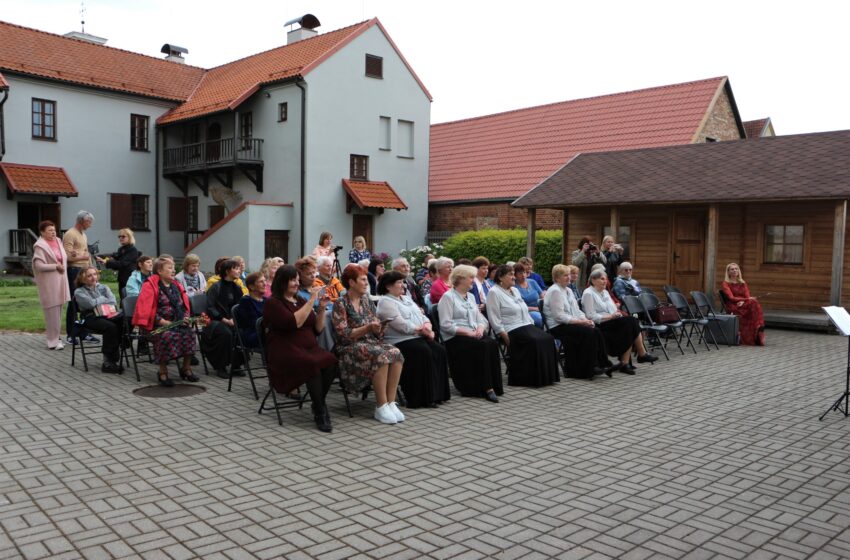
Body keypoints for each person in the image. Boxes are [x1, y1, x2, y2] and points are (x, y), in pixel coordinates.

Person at [263, 265, 337, 432]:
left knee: (331, 362)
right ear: (282, 282)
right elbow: (294, 323)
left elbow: (317, 329)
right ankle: (319, 411)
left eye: (297, 279)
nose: (297, 283)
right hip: (285, 349)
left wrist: (322, 308)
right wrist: (312, 299)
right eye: (292, 280)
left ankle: (319, 403)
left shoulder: (300, 300)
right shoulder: (273, 303)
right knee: (312, 365)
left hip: (308, 346)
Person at [332, 264, 405, 424]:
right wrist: (368, 328)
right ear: (351, 282)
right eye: (363, 280)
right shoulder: (340, 303)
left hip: (370, 342)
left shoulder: (366, 301)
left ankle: (391, 403)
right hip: (348, 347)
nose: (367, 283)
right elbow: (343, 334)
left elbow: (375, 328)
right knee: (382, 355)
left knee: (396, 353)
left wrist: (380, 327)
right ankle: (381, 405)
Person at [377, 271, 451, 408]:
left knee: (439, 350)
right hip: (400, 339)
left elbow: (422, 315)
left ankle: (438, 394)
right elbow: (400, 324)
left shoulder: (406, 299)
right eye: (399, 282)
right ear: (388, 286)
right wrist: (421, 330)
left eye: (403, 282)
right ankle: (421, 398)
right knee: (422, 351)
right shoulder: (385, 302)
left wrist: (428, 326)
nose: (403, 285)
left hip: (418, 335)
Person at [438, 264, 503, 402]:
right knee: (483, 346)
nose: (473, 280)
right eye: (471, 278)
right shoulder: (448, 297)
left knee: (491, 343)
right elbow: (445, 325)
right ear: (460, 279)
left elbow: (481, 318)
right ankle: (484, 388)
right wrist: (468, 333)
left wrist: (480, 328)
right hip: (455, 337)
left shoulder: (471, 297)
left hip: (474, 333)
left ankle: (493, 385)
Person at [486, 265, 558, 387]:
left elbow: (523, 309)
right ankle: (529, 378)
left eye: (513, 274)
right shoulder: (494, 292)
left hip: (525, 324)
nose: (514, 277)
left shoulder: (515, 290)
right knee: (534, 341)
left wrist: (532, 325)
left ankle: (547, 377)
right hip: (511, 328)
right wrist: (503, 334)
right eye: (510, 274)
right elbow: (494, 318)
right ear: (500, 277)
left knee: (548, 338)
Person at [133, 257, 198, 386]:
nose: (173, 270)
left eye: (173, 268)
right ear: (159, 271)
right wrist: (162, 321)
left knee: (190, 332)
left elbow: (183, 306)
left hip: (175, 323)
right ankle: (162, 372)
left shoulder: (176, 285)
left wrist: (185, 317)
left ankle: (186, 369)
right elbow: (146, 309)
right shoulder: (150, 285)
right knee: (166, 336)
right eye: (169, 268)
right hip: (154, 326)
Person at [544, 264, 618, 379]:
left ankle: (603, 364)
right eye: (565, 275)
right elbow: (559, 316)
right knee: (589, 333)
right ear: (557, 278)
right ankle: (591, 367)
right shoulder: (555, 291)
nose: (569, 277)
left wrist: (585, 319)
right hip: (557, 326)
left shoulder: (568, 290)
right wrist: (580, 322)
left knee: (596, 330)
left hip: (569, 322)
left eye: (569, 274)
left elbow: (577, 310)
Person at [582, 269, 658, 373]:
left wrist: (616, 314)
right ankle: (640, 355)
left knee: (631, 324)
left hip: (612, 321)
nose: (605, 281)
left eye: (606, 279)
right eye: (602, 279)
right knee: (631, 323)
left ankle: (626, 362)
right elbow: (590, 316)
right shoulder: (588, 293)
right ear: (593, 280)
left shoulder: (605, 292)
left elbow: (613, 309)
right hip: (600, 324)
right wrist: (610, 316)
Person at [73, 266, 123, 374]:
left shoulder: (104, 287)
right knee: (111, 327)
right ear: (82, 278)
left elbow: (113, 302)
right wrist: (102, 299)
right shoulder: (79, 291)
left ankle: (122, 346)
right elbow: (89, 304)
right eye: (89, 275)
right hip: (90, 317)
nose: (93, 277)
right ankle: (108, 362)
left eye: (94, 274)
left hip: (107, 314)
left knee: (123, 321)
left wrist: (97, 301)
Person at [32, 220, 70, 350]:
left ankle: (57, 338)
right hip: (49, 283)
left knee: (58, 311)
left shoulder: (58, 241)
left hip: (60, 281)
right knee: (51, 312)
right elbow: (39, 266)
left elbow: (62, 258)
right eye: (49, 230)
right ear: (42, 232)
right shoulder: (40, 246)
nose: (53, 232)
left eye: (54, 230)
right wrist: (55, 266)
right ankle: (52, 341)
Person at [204, 259, 245, 377]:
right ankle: (221, 366)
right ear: (227, 271)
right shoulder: (216, 287)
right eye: (236, 268)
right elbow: (210, 308)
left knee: (240, 332)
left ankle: (236, 365)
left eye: (238, 268)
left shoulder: (237, 287)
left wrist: (235, 319)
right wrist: (224, 319)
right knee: (225, 333)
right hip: (215, 321)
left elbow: (240, 306)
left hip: (232, 320)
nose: (239, 271)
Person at [63, 210, 98, 344]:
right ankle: (71, 334)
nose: (90, 225)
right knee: (74, 301)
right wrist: (82, 255)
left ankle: (85, 333)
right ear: (81, 221)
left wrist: (91, 267)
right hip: (74, 271)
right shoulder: (70, 234)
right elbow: (67, 256)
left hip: (84, 270)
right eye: (89, 222)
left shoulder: (83, 235)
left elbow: (85, 254)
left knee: (86, 302)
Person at [721, 263, 765, 346]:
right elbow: (731, 298)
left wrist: (744, 301)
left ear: (739, 271)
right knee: (753, 302)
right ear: (728, 272)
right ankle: (758, 326)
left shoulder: (743, 283)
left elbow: (747, 296)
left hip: (743, 304)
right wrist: (745, 300)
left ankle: (758, 328)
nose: (734, 271)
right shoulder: (725, 283)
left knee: (754, 302)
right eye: (732, 269)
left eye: (736, 269)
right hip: (733, 306)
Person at [97, 228, 141, 300]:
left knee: (128, 300)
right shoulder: (122, 249)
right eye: (119, 236)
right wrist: (101, 256)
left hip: (129, 279)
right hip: (122, 278)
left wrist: (107, 262)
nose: (121, 238)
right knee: (123, 299)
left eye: (123, 236)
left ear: (129, 237)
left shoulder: (132, 250)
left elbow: (122, 264)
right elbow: (114, 256)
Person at [235, 272, 267, 349]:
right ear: (252, 287)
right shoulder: (246, 301)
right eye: (261, 281)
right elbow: (252, 323)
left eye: (265, 281)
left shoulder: (266, 300)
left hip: (266, 331)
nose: (265, 284)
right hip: (253, 334)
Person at [513, 263, 544, 328]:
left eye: (524, 272)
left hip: (540, 308)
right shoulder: (514, 287)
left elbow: (542, 295)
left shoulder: (532, 282)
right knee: (541, 320)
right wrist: (535, 309)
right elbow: (518, 306)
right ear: (515, 276)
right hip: (527, 312)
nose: (523, 275)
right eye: (520, 273)